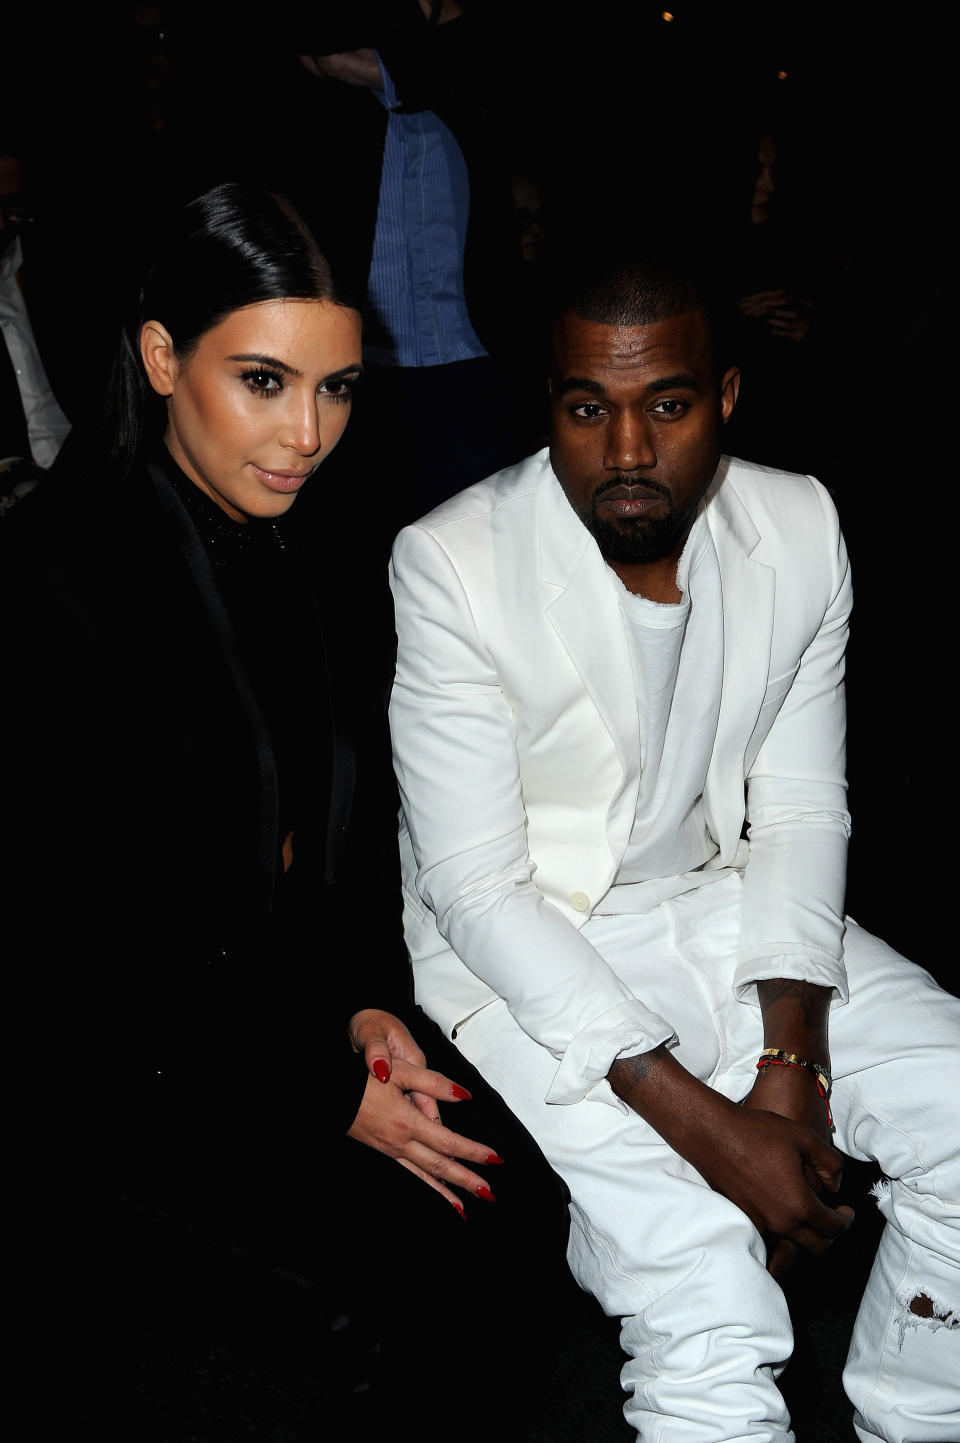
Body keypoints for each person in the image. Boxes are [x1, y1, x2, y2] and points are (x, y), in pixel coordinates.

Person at [1, 182, 571, 1436]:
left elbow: (351, 829)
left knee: (521, 1212)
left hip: (288, 1011)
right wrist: (326, 1090)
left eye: (338, 389)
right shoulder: (56, 587)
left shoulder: (303, 540)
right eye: (263, 381)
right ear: (161, 358)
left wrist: (368, 1001)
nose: (307, 435)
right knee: (399, 1292)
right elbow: (85, 956)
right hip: (115, 1073)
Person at [388, 249, 960, 1441]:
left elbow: (801, 807)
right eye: (588, 408)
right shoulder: (450, 559)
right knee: (707, 1293)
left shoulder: (797, 522)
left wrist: (788, 1066)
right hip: (533, 943)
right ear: (548, 404)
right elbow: (477, 890)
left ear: (729, 397)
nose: (629, 450)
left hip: (722, 900)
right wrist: (705, 1123)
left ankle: (911, 1418)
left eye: (669, 404)